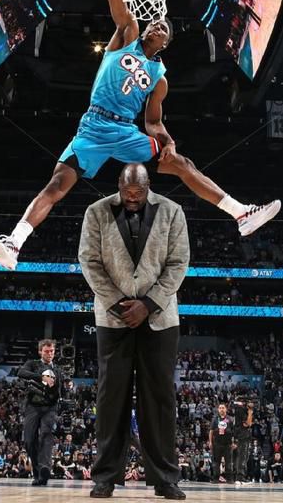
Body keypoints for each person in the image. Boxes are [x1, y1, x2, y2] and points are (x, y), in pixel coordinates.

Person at [0, 0, 280, 271]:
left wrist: (167, 140)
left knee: (181, 163)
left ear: (165, 43)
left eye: (163, 29)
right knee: (57, 185)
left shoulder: (159, 78)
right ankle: (14, 243)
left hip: (126, 132)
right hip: (93, 126)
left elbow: (152, 121)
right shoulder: (127, 35)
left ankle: (241, 214)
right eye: (155, 24)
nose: (156, 27)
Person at [78, 163, 187, 500]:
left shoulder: (172, 211)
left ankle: (165, 478)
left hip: (160, 318)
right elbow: (89, 261)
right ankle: (105, 477)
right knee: (111, 398)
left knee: (160, 399)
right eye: (128, 194)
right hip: (114, 319)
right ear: (119, 186)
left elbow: (178, 262)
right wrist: (118, 303)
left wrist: (149, 304)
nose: (133, 200)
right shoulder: (96, 212)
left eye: (139, 194)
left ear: (148, 185)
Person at [18, 339, 66, 486]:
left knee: (46, 434)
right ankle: (37, 472)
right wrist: (41, 377)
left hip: (50, 408)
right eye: (46, 351)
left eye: (52, 351)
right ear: (40, 351)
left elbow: (61, 391)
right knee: (29, 440)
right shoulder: (33, 364)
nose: (50, 354)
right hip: (32, 406)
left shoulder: (58, 369)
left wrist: (67, 386)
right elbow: (21, 372)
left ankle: (45, 467)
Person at [210, 404, 234, 483]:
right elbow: (211, 431)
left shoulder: (230, 419)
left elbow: (234, 432)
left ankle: (229, 479)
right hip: (217, 443)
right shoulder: (215, 419)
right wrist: (210, 442)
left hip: (228, 444)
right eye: (220, 408)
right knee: (216, 462)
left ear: (226, 409)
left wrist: (234, 442)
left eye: (223, 408)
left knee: (228, 462)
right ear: (218, 410)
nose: (221, 409)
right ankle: (216, 478)